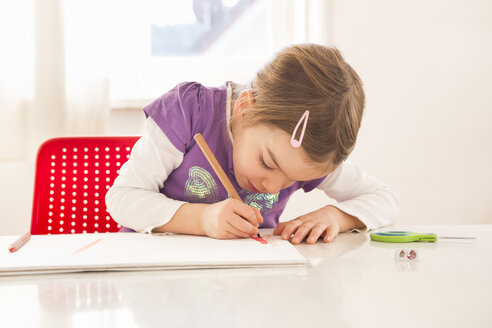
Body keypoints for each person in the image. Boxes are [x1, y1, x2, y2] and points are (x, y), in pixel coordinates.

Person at [105, 43, 399, 245]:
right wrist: (202, 219)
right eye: (268, 163)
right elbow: (122, 199)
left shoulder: (306, 154)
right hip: (152, 278)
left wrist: (337, 215)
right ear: (244, 110)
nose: (274, 187)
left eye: (295, 180)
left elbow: (384, 199)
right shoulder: (190, 112)